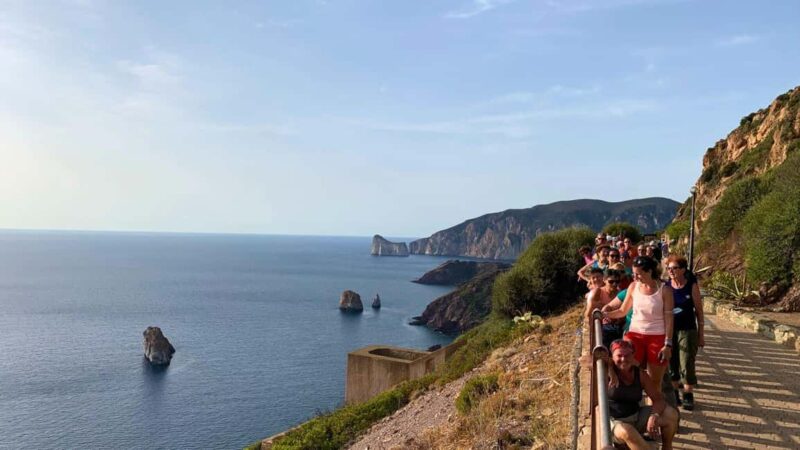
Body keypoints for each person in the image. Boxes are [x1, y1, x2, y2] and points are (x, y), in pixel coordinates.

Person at [605, 256, 674, 388]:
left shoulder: (665, 290)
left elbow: (669, 319)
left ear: (649, 272)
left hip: (657, 337)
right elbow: (622, 311)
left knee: (655, 381)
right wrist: (604, 314)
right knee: (626, 371)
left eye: (638, 274)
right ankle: (631, 398)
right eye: (633, 273)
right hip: (634, 335)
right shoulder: (633, 287)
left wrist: (668, 345)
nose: (634, 277)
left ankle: (653, 400)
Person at [607, 339, 679, 449]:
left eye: (627, 355)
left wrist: (654, 416)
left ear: (633, 356)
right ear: (612, 356)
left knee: (671, 414)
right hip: (615, 422)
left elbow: (658, 399)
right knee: (627, 431)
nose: (623, 359)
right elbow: (585, 360)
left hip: (635, 417)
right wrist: (609, 366)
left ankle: (667, 447)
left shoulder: (640, 374)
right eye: (619, 355)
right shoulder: (606, 372)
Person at [666, 255, 704, 410]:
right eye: (668, 268)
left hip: (688, 330)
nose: (671, 271)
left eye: (674, 268)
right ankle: (674, 394)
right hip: (670, 330)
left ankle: (688, 394)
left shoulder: (691, 286)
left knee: (687, 361)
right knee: (672, 362)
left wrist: (701, 334)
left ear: (683, 270)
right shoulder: (666, 287)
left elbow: (699, 311)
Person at [584, 269, 624, 347]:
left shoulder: (621, 293)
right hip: (603, 327)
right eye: (611, 282)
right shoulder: (598, 293)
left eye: (617, 281)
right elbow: (588, 314)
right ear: (604, 280)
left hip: (619, 326)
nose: (614, 284)